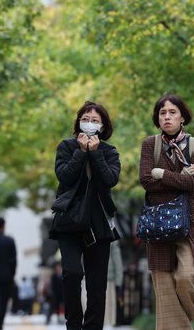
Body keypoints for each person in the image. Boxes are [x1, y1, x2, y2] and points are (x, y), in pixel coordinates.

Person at [50, 101, 121, 330]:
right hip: (69, 222)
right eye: (86, 119)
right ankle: (73, 324)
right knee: (72, 273)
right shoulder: (66, 147)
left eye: (95, 120)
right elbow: (65, 178)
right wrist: (81, 153)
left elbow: (109, 180)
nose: (89, 123)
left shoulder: (110, 151)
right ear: (79, 122)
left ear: (103, 126)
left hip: (98, 224)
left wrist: (96, 153)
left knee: (97, 285)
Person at [139, 94, 194, 329]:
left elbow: (193, 183)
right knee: (165, 290)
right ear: (158, 119)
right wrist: (179, 176)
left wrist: (161, 174)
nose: (167, 117)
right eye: (162, 113)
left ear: (183, 117)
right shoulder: (150, 144)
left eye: (172, 112)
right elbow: (146, 180)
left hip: (188, 221)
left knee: (185, 278)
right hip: (157, 222)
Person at [104, 241, 123, 328]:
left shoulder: (112, 234)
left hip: (108, 278)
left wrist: (119, 282)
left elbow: (117, 260)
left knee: (108, 311)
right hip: (90, 277)